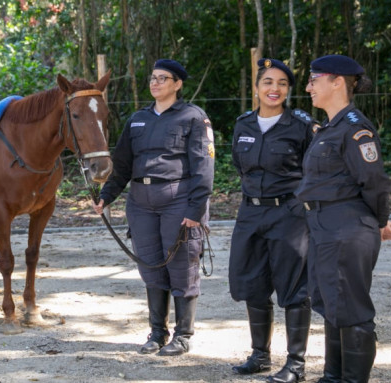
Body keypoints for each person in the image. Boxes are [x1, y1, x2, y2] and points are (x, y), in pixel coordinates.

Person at [93, 59, 214, 356]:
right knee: (150, 266)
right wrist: (107, 195)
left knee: (181, 266)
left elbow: (204, 166)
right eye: (153, 78)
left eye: (163, 78)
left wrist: (195, 210)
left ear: (177, 84)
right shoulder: (138, 119)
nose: (155, 83)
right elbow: (122, 165)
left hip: (178, 198)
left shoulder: (193, 117)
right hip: (141, 202)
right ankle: (158, 332)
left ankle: (183, 336)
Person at [297, 54, 391, 383]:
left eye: (314, 79)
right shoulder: (329, 128)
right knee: (332, 302)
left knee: (351, 306)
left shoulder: (356, 128)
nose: (308, 86)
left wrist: (380, 220)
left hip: (345, 226)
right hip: (324, 226)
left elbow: (373, 181)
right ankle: (333, 377)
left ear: (337, 82)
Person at [228, 58, 315, 382]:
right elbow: (240, 165)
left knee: (294, 288)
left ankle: (295, 364)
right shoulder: (243, 124)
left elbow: (314, 169)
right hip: (250, 213)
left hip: (288, 214)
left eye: (281, 83)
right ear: (257, 87)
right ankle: (260, 355)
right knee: (251, 283)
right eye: (267, 82)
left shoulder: (302, 125)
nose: (274, 88)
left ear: (289, 90)